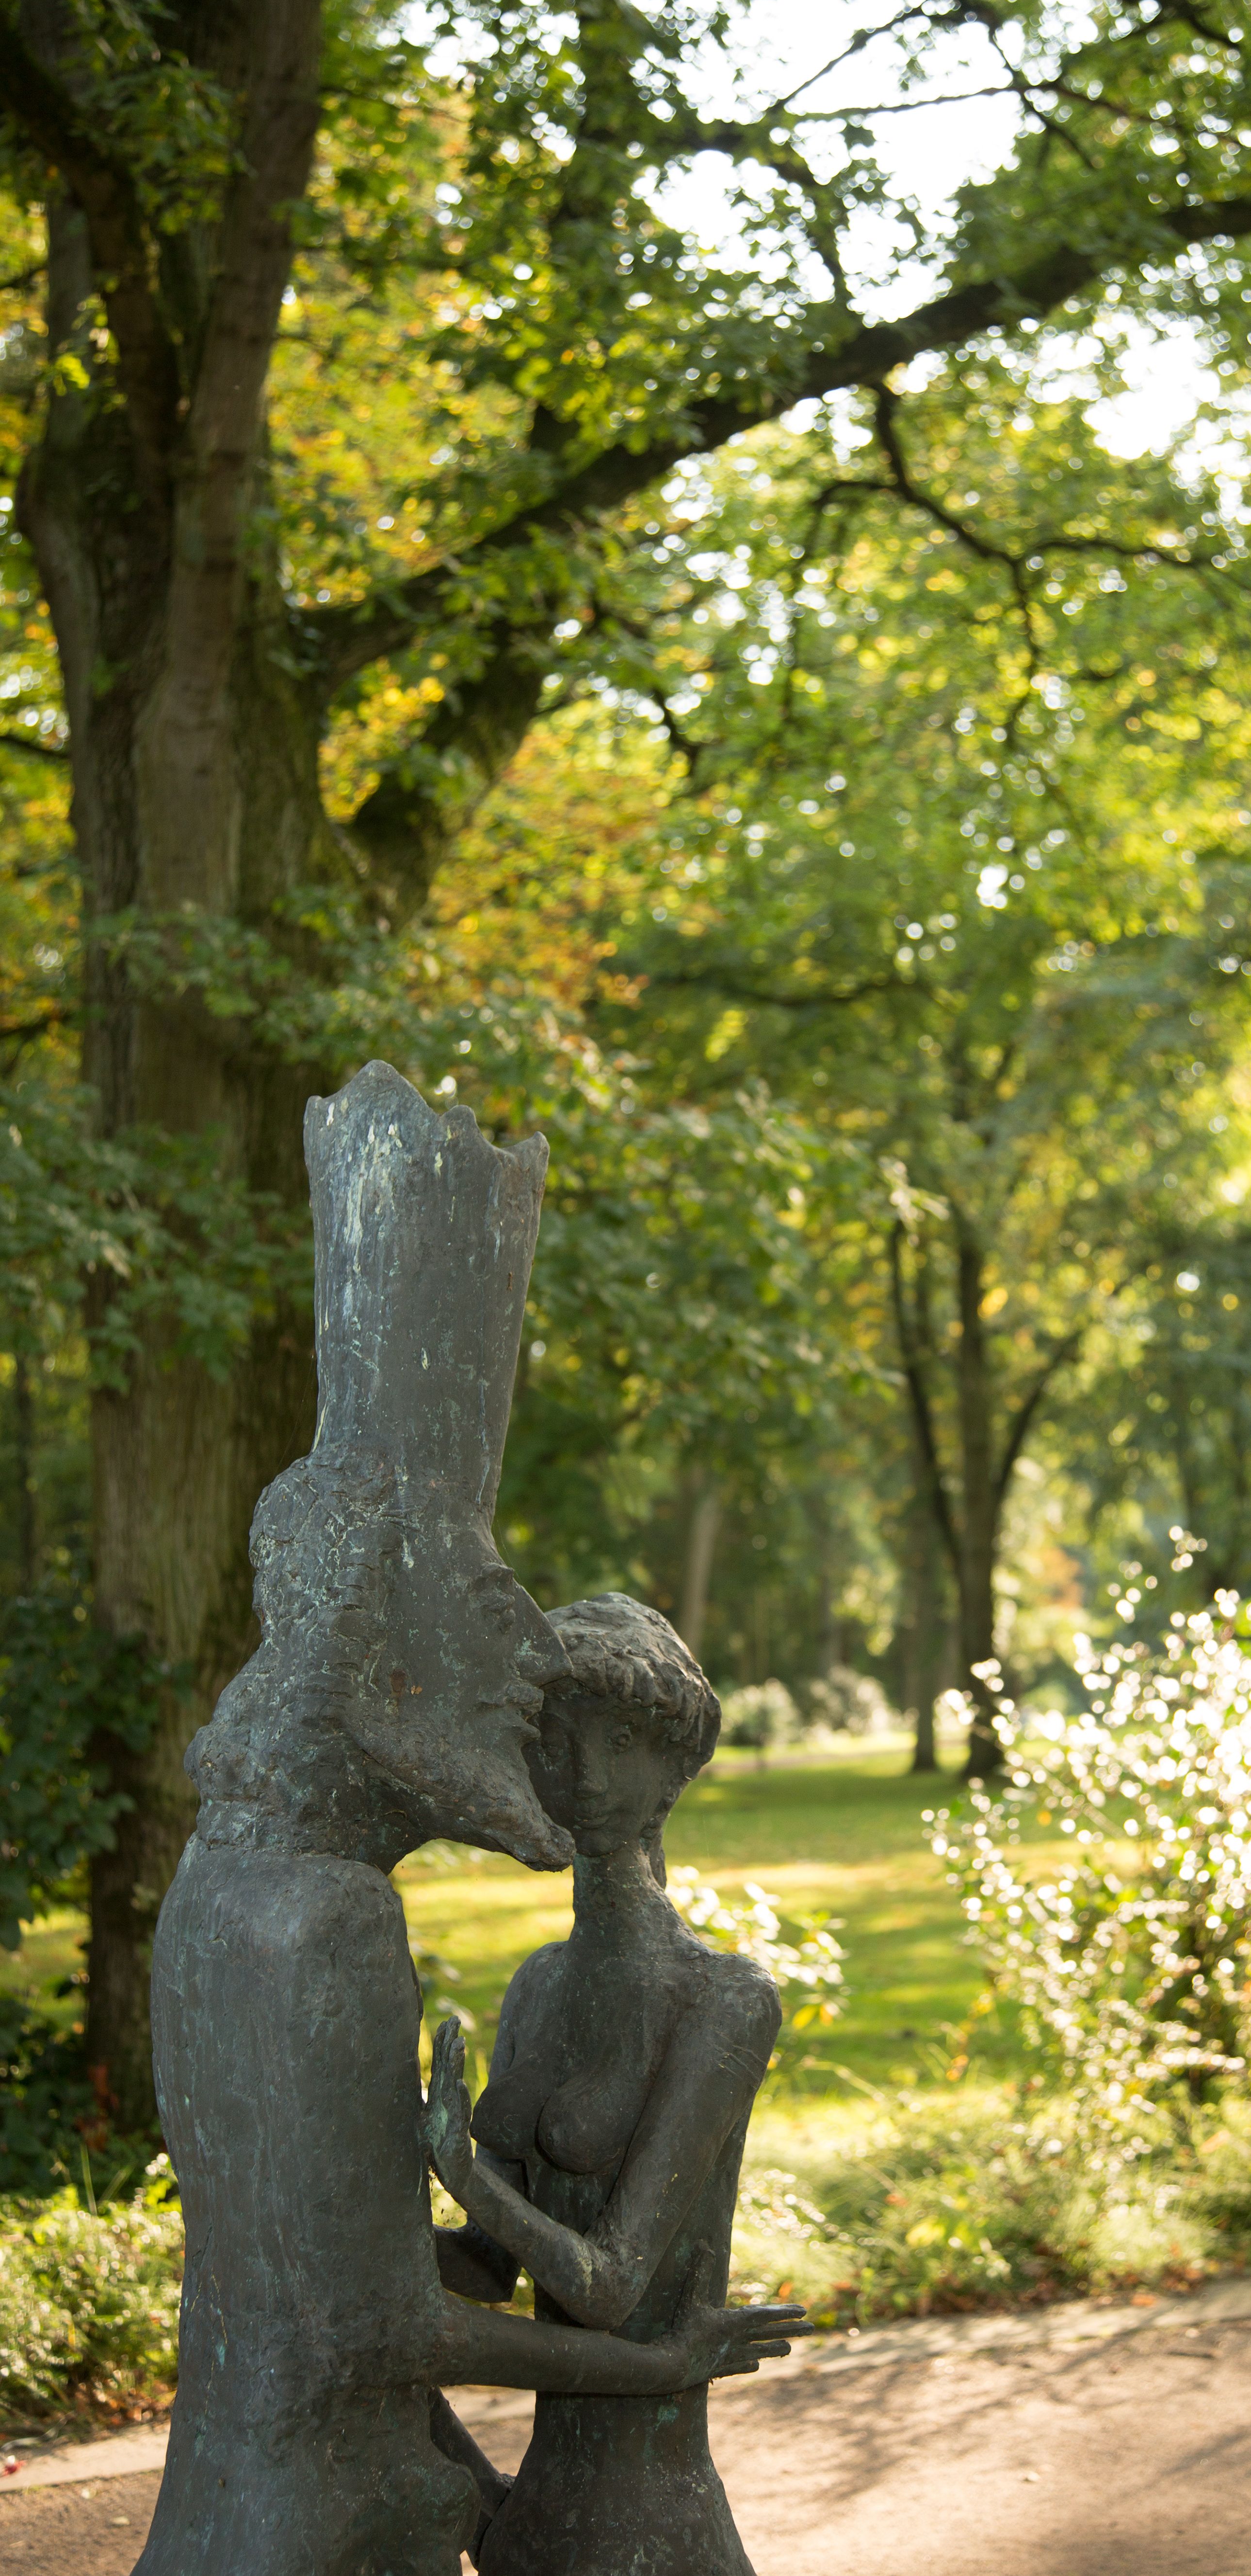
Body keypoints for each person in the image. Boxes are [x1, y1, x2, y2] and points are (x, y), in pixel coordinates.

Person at [134, 1067, 801, 2576]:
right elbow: (397, 2305)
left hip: (600, 2514)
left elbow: (537, 2281)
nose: (549, 1747)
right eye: (546, 1721)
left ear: (664, 1770)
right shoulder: (429, 1952)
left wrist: (456, 2191)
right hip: (439, 2516)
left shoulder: (714, 1998)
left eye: (593, 1735)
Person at [425, 1592, 783, 2576]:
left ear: (673, 1761)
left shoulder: (723, 2000)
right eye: (555, 1739)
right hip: (537, 2518)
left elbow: (612, 2286)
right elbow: (487, 2271)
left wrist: (462, 2172)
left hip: (652, 2519)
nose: (582, 1773)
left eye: (618, 1741)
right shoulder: (538, 1985)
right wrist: (338, 2234)